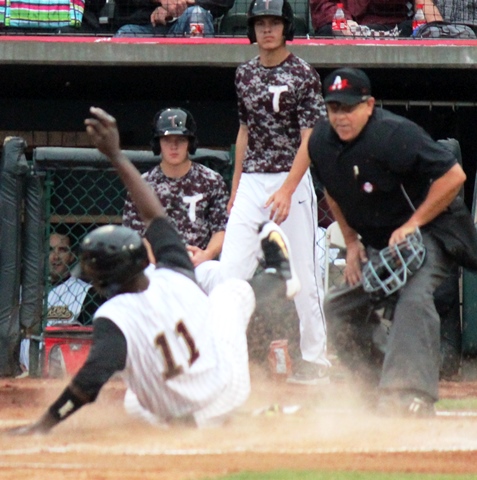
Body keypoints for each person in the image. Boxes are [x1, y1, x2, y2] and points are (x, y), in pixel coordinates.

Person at [9, 106, 298, 434]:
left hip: (172, 412)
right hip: (223, 391)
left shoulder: (114, 317)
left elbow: (88, 383)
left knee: (136, 399)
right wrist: (116, 156)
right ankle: (278, 275)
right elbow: (155, 217)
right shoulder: (173, 270)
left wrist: (43, 425)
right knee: (231, 295)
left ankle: (189, 421)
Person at [280, 67, 465, 416]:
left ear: (369, 105)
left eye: (349, 108)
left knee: (414, 297)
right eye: (334, 108)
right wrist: (351, 243)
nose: (341, 116)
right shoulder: (321, 141)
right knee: (339, 307)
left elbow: (454, 176)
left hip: (432, 232)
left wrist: (414, 222)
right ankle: (372, 388)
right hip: (381, 244)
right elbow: (332, 192)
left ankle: (411, 395)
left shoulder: (394, 134)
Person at [197, 0, 330, 385]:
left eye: (274, 23)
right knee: (231, 274)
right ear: (251, 29)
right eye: (260, 23)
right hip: (253, 179)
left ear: (286, 27)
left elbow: (312, 138)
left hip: (291, 177)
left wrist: (288, 188)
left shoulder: (304, 73)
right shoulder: (244, 74)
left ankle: (316, 361)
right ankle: (218, 358)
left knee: (302, 275)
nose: (267, 30)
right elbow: (244, 132)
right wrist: (236, 188)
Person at [122, 107, 229, 272]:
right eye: (166, 140)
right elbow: (135, 234)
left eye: (180, 139)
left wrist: (206, 254)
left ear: (190, 142)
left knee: (218, 273)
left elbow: (221, 228)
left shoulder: (211, 180)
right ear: (158, 143)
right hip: (155, 264)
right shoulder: (142, 185)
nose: (173, 146)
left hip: (197, 262)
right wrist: (156, 261)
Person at [311, 0, 442, 37]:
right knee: (327, 32)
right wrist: (345, 21)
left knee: (412, 29)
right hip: (342, 29)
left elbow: (425, 5)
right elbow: (320, 4)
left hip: (390, 30)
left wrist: (438, 30)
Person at [114, 0, 233, 36]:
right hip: (147, 27)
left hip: (190, 22)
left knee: (197, 14)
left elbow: (224, 2)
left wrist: (177, 6)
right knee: (125, 34)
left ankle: (201, 80)